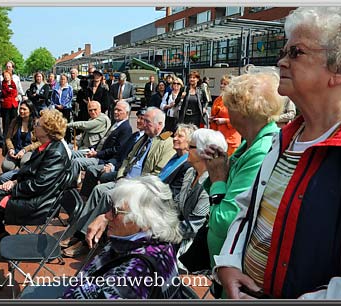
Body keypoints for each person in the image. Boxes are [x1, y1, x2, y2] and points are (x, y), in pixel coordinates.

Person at [214, 7, 341, 299]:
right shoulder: (286, 137)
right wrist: (228, 262)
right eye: (285, 51)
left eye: (296, 52)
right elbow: (249, 209)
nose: (281, 61)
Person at [0, 109, 72, 269]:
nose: (34, 126)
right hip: (33, 195)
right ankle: (0, 234)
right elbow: (32, 175)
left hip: (38, 204)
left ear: (47, 131)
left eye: (38, 124)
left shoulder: (55, 153)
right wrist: (13, 182)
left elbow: (38, 185)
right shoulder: (48, 146)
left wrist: (11, 187)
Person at [62, 107, 175, 257]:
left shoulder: (166, 144)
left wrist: (130, 185)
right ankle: (77, 232)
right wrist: (121, 177)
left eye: (147, 121)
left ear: (159, 124)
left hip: (139, 188)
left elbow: (156, 174)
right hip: (125, 180)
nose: (142, 123)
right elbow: (128, 159)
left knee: (108, 195)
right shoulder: (143, 138)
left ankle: (84, 241)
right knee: (98, 190)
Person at [202, 72, 283, 273]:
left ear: (243, 111)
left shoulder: (260, 150)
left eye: (230, 105)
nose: (227, 110)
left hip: (234, 267)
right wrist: (218, 168)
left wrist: (218, 179)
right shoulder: (250, 142)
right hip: (227, 261)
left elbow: (224, 221)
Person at [62, 176, 183, 299]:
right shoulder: (155, 242)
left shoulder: (134, 274)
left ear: (144, 221)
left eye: (115, 211)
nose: (107, 216)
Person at [175, 129, 227, 273]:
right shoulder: (190, 172)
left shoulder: (210, 182)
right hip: (179, 232)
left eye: (190, 146)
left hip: (194, 243)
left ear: (204, 152)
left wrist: (161, 229)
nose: (186, 148)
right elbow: (178, 206)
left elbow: (194, 226)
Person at [70, 101, 131, 182]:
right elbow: (103, 140)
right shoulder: (116, 124)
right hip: (95, 151)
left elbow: (117, 149)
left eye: (119, 110)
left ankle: (71, 186)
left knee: (76, 162)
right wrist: (93, 149)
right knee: (70, 153)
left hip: (103, 159)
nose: (116, 112)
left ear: (127, 113)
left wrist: (97, 154)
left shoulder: (125, 128)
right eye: (115, 109)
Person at [0, 100, 40, 173]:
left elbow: (40, 142)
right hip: (15, 149)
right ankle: (8, 180)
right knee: (6, 166)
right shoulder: (15, 121)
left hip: (29, 150)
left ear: (30, 111)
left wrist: (24, 150)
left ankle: (22, 181)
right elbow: (8, 138)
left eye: (24, 109)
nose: (21, 111)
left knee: (24, 163)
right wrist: (11, 149)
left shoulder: (36, 123)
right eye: (20, 108)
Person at [209, 75, 241, 156]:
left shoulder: (235, 101)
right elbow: (213, 114)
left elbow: (240, 120)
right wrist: (212, 119)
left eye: (225, 84)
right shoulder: (218, 99)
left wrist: (224, 121)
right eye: (221, 83)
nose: (222, 86)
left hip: (231, 139)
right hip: (218, 137)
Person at [51, 73, 74, 142]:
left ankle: (67, 139)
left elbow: (70, 98)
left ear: (67, 80)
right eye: (61, 79)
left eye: (64, 79)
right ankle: (58, 138)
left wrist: (63, 105)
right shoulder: (56, 87)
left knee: (66, 123)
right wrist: (56, 104)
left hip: (66, 108)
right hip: (57, 108)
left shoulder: (69, 88)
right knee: (58, 123)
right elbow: (52, 97)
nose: (62, 80)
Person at [0, 70, 19, 139]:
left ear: (10, 76)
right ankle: (5, 138)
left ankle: (14, 137)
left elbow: (15, 93)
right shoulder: (2, 85)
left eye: (7, 76)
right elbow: (3, 93)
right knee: (6, 122)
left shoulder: (14, 84)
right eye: (5, 76)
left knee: (14, 121)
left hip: (14, 105)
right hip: (6, 105)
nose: (6, 77)